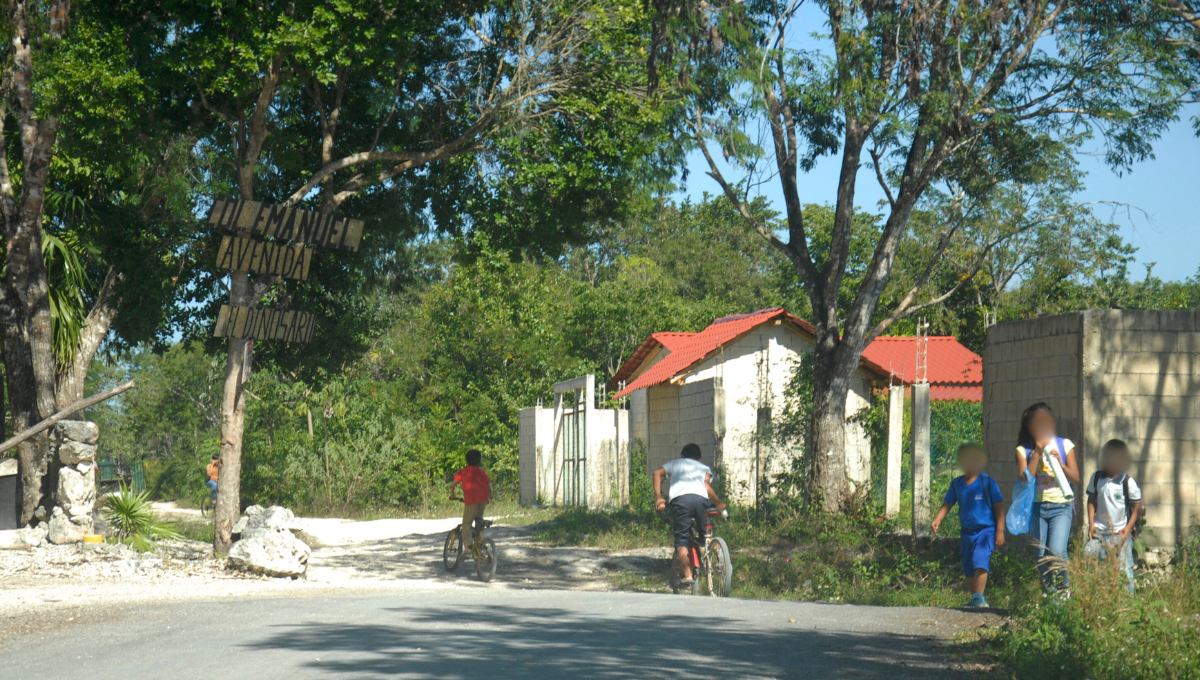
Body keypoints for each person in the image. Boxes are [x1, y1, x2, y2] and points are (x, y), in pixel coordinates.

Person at [1015, 402, 1080, 595]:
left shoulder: (1064, 445)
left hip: (1061, 506)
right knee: (1042, 555)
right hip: (1037, 508)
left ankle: (1064, 592)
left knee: (1057, 551)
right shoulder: (1023, 450)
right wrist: (1036, 452)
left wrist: (1060, 463)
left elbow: (1075, 478)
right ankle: (1050, 599)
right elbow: (1025, 480)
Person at [932, 443, 1006, 607]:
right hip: (967, 533)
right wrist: (938, 519)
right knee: (968, 564)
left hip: (986, 531)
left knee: (980, 558)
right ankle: (975, 599)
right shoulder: (957, 484)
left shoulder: (987, 482)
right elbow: (948, 503)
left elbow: (999, 507)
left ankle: (980, 597)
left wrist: (1000, 531)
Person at [652, 443, 727, 586]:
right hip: (701, 501)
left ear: (682, 456)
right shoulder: (704, 468)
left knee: (681, 539)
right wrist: (718, 503)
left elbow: (657, 473)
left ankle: (687, 575)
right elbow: (707, 487)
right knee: (707, 534)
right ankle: (720, 561)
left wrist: (659, 498)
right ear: (699, 459)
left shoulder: (675, 463)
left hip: (681, 501)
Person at [1086, 439, 1142, 595]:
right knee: (1095, 567)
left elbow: (1137, 507)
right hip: (1099, 532)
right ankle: (1101, 601)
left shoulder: (1128, 482)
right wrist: (1091, 524)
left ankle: (1128, 603)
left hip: (1120, 533)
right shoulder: (1097, 478)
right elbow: (1091, 501)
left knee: (1124, 571)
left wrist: (1127, 530)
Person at [449, 449, 491, 549]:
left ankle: (468, 547)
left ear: (466, 461)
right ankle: (479, 543)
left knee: (466, 524)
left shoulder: (463, 472)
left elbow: (453, 485)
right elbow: (489, 486)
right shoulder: (481, 472)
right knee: (479, 521)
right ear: (479, 461)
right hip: (483, 499)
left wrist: (453, 496)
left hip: (472, 500)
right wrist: (488, 497)